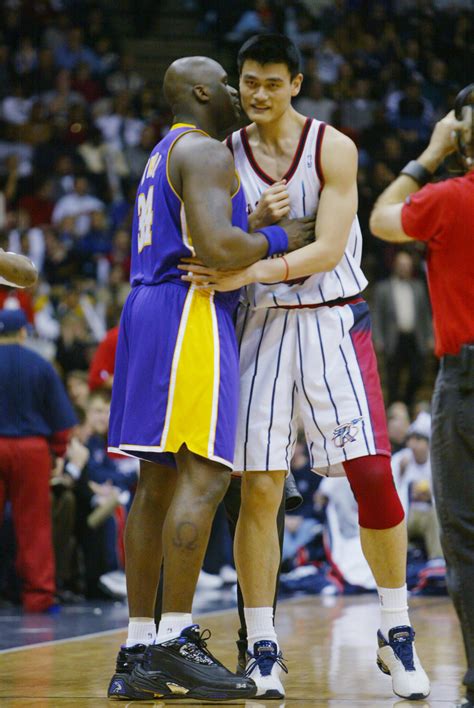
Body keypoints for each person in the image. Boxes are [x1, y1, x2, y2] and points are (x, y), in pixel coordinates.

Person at [183, 34, 430, 700]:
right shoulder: (224, 153)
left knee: (373, 475)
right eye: (249, 82)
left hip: (332, 319)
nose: (259, 93)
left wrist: (252, 264)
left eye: (271, 82)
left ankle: (395, 630)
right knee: (258, 490)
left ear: (295, 83)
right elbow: (218, 234)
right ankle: (262, 646)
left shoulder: (334, 147)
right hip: (262, 324)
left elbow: (326, 249)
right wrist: (251, 224)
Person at [106, 55, 313, 702]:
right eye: (226, 82)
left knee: (156, 482)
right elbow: (217, 253)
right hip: (187, 313)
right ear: (201, 91)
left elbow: (201, 234)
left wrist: (244, 226)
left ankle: (139, 648)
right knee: (205, 473)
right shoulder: (206, 154)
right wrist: (280, 236)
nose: (234, 92)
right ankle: (175, 638)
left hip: (146, 309)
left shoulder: (161, 153)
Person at [370, 86, 474, 708]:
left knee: (463, 538)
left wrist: (429, 156)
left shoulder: (447, 197)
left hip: (464, 382)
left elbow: (383, 217)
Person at [0, 308, 77, 612]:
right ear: (23, 333)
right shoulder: (40, 365)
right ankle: (39, 596)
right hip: (31, 450)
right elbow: (61, 421)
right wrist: (57, 453)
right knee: (34, 526)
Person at [373, 250, 432, 407]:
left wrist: (430, 337)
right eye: (401, 265)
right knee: (393, 377)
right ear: (395, 266)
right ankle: (394, 409)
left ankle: (406, 404)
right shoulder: (383, 288)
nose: (404, 268)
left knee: (417, 374)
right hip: (394, 337)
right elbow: (377, 315)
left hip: (414, 337)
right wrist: (378, 339)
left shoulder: (418, 287)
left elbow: (425, 314)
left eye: (407, 265)